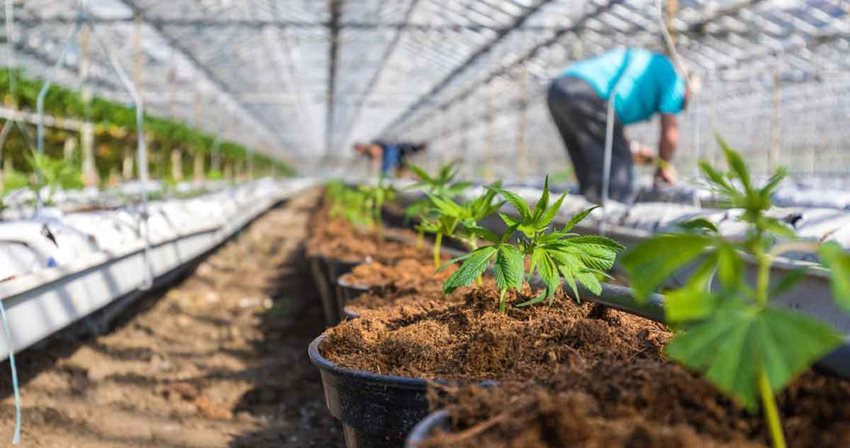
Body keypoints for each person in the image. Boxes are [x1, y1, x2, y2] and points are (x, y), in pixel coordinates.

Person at [547, 47, 688, 203]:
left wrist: (633, 149)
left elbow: (609, 130)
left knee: (589, 171)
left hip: (559, 89)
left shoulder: (646, 65)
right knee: (618, 179)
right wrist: (663, 167)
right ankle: (613, 212)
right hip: (588, 92)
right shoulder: (675, 80)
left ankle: (590, 212)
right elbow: (670, 134)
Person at [353, 141, 427, 178]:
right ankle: (417, 177)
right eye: (359, 149)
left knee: (402, 170)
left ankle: (418, 148)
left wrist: (381, 164)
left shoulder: (371, 147)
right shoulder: (368, 152)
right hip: (395, 156)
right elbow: (377, 158)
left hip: (394, 153)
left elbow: (378, 153)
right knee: (402, 172)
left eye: (359, 149)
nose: (360, 151)